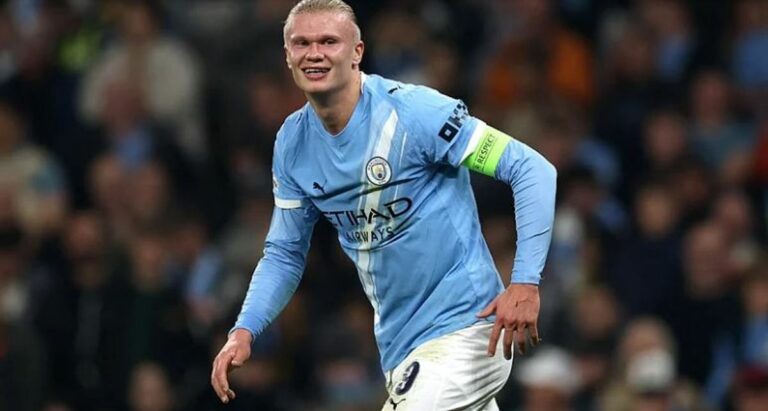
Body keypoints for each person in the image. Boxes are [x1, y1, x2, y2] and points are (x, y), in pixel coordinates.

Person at [210, 1, 557, 409]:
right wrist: (245, 329)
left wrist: (525, 281)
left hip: (468, 328)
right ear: (288, 56)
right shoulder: (293, 144)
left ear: (357, 52)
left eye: (329, 41)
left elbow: (531, 168)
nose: (314, 53)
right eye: (302, 43)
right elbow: (285, 253)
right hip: (401, 350)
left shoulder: (415, 113)